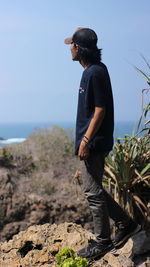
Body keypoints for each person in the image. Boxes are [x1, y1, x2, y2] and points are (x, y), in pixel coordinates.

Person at [64, 28, 141, 260]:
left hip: (94, 141)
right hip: (97, 139)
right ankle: (125, 223)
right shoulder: (96, 70)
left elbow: (100, 110)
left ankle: (102, 242)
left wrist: (86, 140)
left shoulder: (93, 74)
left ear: (79, 49)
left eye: (72, 45)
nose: (70, 48)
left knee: (91, 192)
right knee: (96, 188)